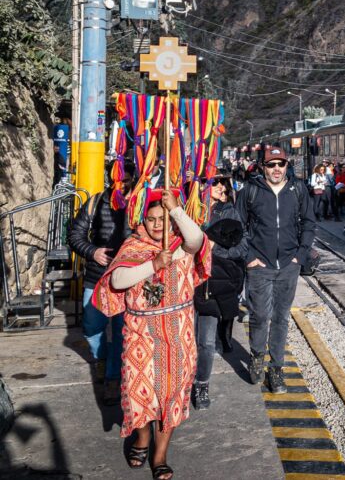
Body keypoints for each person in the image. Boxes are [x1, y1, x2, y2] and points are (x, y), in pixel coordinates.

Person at [91, 189, 210, 480]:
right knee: (138, 394)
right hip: (141, 333)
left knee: (171, 395)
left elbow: (197, 240)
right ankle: (142, 438)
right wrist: (154, 264)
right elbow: (118, 280)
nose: (158, 225)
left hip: (177, 332)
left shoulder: (182, 244)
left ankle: (160, 456)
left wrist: (177, 210)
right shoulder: (133, 245)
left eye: (164, 218)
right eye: (152, 219)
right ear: (142, 220)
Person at [236, 147, 317, 393]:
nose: (277, 169)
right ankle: (258, 355)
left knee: (281, 318)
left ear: (286, 165)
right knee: (260, 315)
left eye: (281, 164)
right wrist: (248, 256)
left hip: (289, 266)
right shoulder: (249, 191)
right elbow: (236, 226)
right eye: (271, 165)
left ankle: (276, 369)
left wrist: (300, 256)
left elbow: (310, 223)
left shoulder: (298, 189)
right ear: (263, 166)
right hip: (259, 266)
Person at [69, 165, 133, 405]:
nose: (123, 185)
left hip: (125, 278)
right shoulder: (96, 202)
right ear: (110, 179)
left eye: (127, 181)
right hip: (96, 276)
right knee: (91, 326)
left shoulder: (138, 203)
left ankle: (113, 379)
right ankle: (102, 359)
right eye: (119, 180)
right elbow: (75, 235)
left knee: (120, 331)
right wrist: (93, 252)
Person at [191, 175, 246, 410]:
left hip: (211, 285)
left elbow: (242, 247)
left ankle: (201, 383)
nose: (220, 186)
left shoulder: (229, 212)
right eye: (214, 182)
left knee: (205, 341)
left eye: (222, 182)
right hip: (184, 283)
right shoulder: (185, 208)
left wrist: (215, 249)